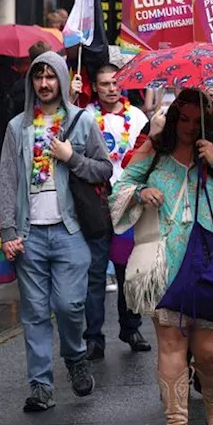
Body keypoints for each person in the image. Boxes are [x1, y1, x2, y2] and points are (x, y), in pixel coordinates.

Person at [110, 89, 213, 425]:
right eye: (182, 119)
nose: (188, 127)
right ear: (173, 119)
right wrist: (141, 193)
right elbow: (120, 188)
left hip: (212, 258)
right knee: (171, 345)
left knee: (209, 351)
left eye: (195, 120)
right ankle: (176, 423)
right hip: (165, 263)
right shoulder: (154, 150)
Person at [0, 51, 113, 412]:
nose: (44, 84)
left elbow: (104, 170)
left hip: (71, 231)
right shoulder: (18, 127)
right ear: (32, 82)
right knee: (33, 313)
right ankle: (41, 386)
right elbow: (6, 181)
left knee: (68, 305)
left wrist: (71, 157)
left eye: (51, 77)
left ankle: (76, 356)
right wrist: (7, 232)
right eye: (38, 77)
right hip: (29, 234)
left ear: (62, 80)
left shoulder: (82, 122)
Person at [83, 64, 151, 359]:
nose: (111, 88)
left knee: (129, 269)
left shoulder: (136, 116)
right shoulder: (85, 116)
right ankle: (94, 336)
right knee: (95, 271)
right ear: (95, 88)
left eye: (115, 83)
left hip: (129, 200)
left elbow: (147, 153)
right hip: (96, 200)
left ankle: (131, 327)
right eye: (104, 84)